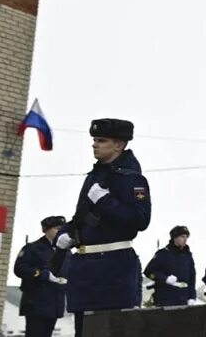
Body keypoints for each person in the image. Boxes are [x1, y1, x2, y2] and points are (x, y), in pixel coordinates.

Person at [55, 118, 151, 336]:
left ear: (119, 145)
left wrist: (105, 201)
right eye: (94, 140)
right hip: (84, 269)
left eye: (101, 140)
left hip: (113, 270)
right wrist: (65, 234)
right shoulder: (94, 176)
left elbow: (140, 219)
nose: (94, 144)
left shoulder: (132, 179)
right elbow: (81, 216)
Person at [14, 216, 68, 337]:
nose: (60, 232)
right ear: (46, 230)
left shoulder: (65, 250)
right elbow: (19, 269)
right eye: (57, 228)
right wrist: (42, 274)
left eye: (62, 229)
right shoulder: (32, 248)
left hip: (55, 301)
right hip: (36, 301)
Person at [144, 225, 197, 306]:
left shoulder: (188, 256)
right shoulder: (162, 254)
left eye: (186, 237)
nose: (185, 239)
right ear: (175, 238)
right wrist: (165, 279)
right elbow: (148, 272)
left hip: (183, 298)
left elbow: (192, 278)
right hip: (166, 298)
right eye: (182, 237)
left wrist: (192, 297)